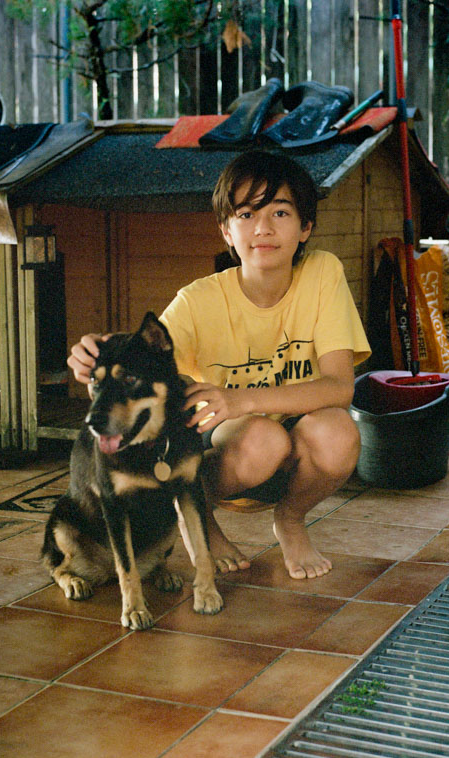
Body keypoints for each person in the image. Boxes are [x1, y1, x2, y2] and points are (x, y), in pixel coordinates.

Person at [68, 150, 371, 579]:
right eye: (246, 214)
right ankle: (198, 517)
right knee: (264, 438)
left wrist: (241, 399)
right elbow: (141, 354)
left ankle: (290, 520)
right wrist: (93, 352)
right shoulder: (198, 300)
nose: (263, 228)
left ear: (305, 227)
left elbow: (340, 387)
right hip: (225, 445)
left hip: (294, 434)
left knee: (339, 432)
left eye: (280, 212)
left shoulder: (323, 273)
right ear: (227, 230)